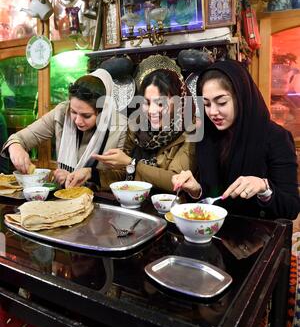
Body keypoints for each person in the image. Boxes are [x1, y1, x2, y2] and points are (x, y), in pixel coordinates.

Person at [172, 60, 300, 220]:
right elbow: (213, 195)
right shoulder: (208, 136)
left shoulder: (275, 137)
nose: (213, 112)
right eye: (206, 104)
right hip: (215, 234)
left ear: (241, 97)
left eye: (221, 102)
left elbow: (291, 208)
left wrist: (263, 188)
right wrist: (196, 190)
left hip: (257, 238)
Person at [1, 69, 127, 187]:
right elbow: (21, 137)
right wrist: (15, 147)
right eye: (73, 112)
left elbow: (123, 175)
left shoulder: (119, 127)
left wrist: (91, 173)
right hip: (64, 197)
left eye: (86, 116)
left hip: (100, 200)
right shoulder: (62, 112)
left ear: (102, 111)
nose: (78, 121)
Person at [90, 68, 196, 192]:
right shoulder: (137, 126)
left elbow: (176, 181)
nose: (151, 111)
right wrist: (93, 175)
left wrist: (131, 163)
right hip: (133, 203)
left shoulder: (190, 130)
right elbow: (125, 174)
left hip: (169, 208)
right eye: (146, 102)